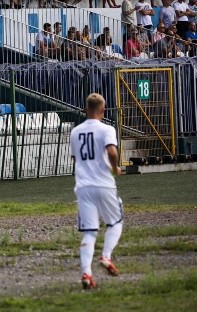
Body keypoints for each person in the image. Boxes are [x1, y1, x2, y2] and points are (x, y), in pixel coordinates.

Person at [71, 92, 123, 290]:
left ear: (85, 109)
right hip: (103, 183)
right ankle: (106, 256)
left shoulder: (75, 132)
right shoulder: (106, 129)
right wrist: (116, 167)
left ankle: (86, 273)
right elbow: (111, 151)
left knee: (89, 232)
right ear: (103, 110)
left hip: (83, 186)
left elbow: (75, 159)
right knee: (115, 222)